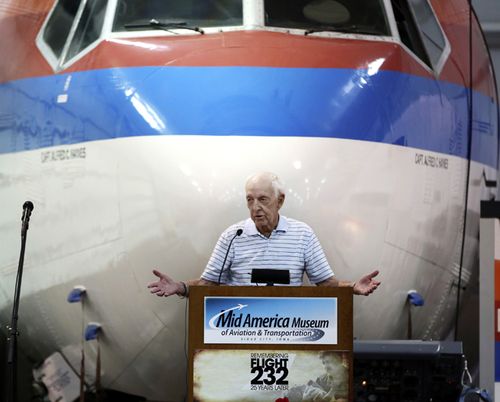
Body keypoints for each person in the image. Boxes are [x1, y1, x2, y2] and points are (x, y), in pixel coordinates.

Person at [148, 172, 380, 297]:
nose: (255, 207)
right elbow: (207, 284)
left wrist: (352, 288)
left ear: (280, 201)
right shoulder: (233, 236)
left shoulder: (302, 234)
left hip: (289, 329)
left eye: (262, 199)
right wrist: (179, 287)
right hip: (240, 330)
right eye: (250, 200)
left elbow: (325, 284)